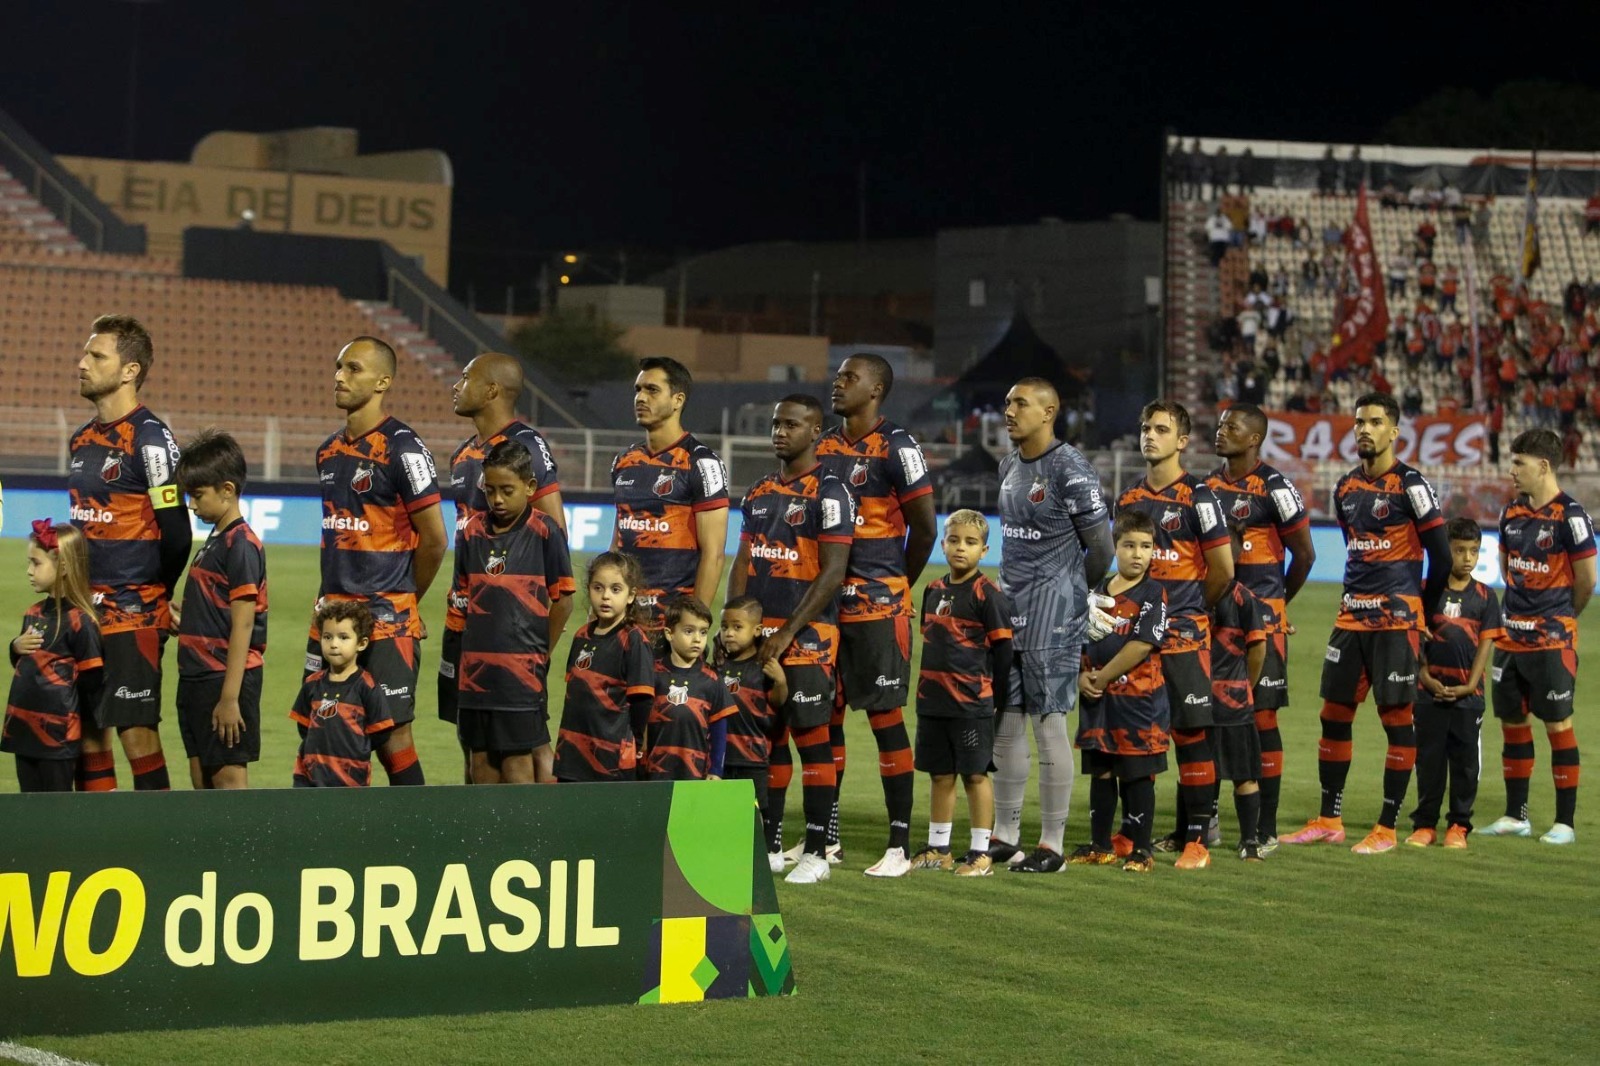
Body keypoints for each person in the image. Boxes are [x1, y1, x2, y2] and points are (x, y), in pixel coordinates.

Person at [1281, 391, 1451, 854]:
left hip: (1395, 620)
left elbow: (1442, 555)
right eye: (1359, 422)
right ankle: (1329, 818)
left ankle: (1387, 827)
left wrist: (1424, 612)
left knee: (1396, 719)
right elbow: (1354, 546)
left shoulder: (1411, 484)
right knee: (1332, 715)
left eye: (1375, 422)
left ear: (1394, 431)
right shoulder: (1345, 488)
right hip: (1350, 617)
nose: (1364, 430)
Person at [815, 353, 936, 877]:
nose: (838, 384)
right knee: (827, 716)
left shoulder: (898, 447)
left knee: (886, 720)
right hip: (826, 605)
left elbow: (925, 528)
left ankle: (898, 846)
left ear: (877, 390)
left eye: (849, 378)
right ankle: (830, 838)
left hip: (878, 605)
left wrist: (894, 587)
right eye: (838, 376)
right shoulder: (822, 446)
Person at [727, 395, 854, 885]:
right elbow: (744, 560)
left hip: (809, 638)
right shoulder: (758, 491)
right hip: (761, 635)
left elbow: (834, 573)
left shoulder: (832, 491)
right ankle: (773, 845)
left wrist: (787, 632)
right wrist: (735, 626)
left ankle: (818, 852)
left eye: (792, 424)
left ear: (817, 431)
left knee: (811, 740)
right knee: (767, 740)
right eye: (776, 423)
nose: (780, 431)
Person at [312, 336, 448, 786]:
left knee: (393, 736)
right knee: (323, 727)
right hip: (331, 616)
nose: (338, 376)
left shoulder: (403, 448)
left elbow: (434, 540)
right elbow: (333, 538)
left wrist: (407, 599)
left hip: (387, 621)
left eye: (352, 369)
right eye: (337, 366)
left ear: (383, 382)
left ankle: (412, 834)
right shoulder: (328, 452)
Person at [991, 377, 1114, 873]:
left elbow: (1101, 547)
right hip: (1009, 610)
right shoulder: (1008, 465)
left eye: (1019, 402)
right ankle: (1004, 835)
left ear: (1049, 412)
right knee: (1007, 721)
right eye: (1007, 401)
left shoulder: (1069, 467)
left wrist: (1071, 600)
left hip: (1053, 616)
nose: (1009, 410)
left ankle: (1053, 845)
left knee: (1048, 726)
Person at [70, 314, 190, 791]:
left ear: (129, 371)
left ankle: (155, 841)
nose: (82, 363)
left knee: (136, 732)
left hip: (132, 612)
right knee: (86, 730)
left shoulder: (151, 439)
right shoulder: (80, 440)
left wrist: (158, 594)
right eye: (85, 353)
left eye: (96, 356)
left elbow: (177, 532)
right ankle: (101, 842)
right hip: (82, 613)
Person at [1115, 400, 1234, 869]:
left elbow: (1223, 569)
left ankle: (1197, 839)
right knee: (1135, 736)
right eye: (1145, 427)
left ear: (1182, 441)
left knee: (1189, 736)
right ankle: (1131, 831)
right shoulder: (1128, 499)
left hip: (1183, 636)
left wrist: (1189, 609)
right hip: (1137, 637)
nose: (1150, 436)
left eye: (1161, 429)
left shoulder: (1199, 497)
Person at [442, 353, 565, 780]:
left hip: (516, 634)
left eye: (465, 378)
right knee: (472, 737)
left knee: (529, 742)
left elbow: (551, 533)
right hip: (470, 623)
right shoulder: (463, 455)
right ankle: (483, 832)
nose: (455, 386)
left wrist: (536, 644)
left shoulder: (527, 445)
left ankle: (543, 833)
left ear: (491, 389)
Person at [1208, 402, 1315, 847]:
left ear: (1254, 439)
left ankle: (1265, 826)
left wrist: (1274, 607)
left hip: (1262, 620)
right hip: (1215, 617)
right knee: (1208, 712)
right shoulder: (1208, 486)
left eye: (1231, 427)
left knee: (1262, 717)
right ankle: (1204, 823)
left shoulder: (1276, 488)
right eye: (1219, 425)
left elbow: (1305, 555)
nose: (1220, 431)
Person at [1479, 429, 1594, 844]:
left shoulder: (1572, 516)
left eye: (1519, 464)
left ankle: (1564, 823)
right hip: (1510, 639)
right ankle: (1516, 815)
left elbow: (1586, 580)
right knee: (1512, 723)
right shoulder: (1510, 513)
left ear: (1543, 466)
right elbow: (1508, 570)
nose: (1512, 471)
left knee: (1558, 724)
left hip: (1551, 641)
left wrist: (1560, 619)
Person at [453, 440, 575, 785]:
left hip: (520, 673)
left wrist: (541, 652)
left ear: (530, 487)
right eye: (490, 491)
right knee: (480, 760)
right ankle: (486, 836)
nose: (498, 500)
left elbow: (563, 600)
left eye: (507, 490)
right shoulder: (471, 531)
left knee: (518, 761)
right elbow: (461, 597)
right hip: (475, 673)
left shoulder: (545, 531)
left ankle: (526, 836)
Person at [907, 509, 1014, 878]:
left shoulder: (989, 595)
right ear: (943, 544)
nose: (960, 548)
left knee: (975, 775)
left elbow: (1004, 654)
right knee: (940, 774)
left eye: (970, 543)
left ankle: (981, 852)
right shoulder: (933, 591)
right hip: (933, 702)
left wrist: (994, 700)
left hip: (972, 703)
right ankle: (939, 847)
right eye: (954, 540)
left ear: (984, 550)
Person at [1073, 510, 1169, 873]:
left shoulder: (1153, 593)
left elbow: (1143, 644)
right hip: (1098, 701)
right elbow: (1077, 643)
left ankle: (1141, 850)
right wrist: (1081, 678)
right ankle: (1100, 845)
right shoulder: (1095, 592)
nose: (1137, 554)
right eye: (1129, 545)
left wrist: (1100, 677)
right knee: (1101, 770)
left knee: (1136, 773)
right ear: (1116, 546)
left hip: (1139, 701)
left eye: (1146, 547)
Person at [172, 430, 267, 790]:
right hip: (196, 677)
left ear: (227, 490)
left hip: (221, 681)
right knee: (202, 787)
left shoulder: (241, 544)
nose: (192, 506)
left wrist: (229, 699)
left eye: (197, 495)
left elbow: (243, 626)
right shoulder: (217, 539)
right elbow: (220, 612)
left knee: (227, 786)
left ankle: (244, 850)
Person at [611, 356, 729, 629]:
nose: (641, 398)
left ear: (678, 400)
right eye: (638, 390)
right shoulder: (624, 461)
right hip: (624, 619)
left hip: (671, 623)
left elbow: (714, 554)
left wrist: (692, 624)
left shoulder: (702, 463)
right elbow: (618, 541)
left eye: (652, 390)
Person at [1408, 518, 1503, 848]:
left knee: (1465, 764)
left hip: (1467, 698)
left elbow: (1485, 646)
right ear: (1446, 551)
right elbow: (1417, 640)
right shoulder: (1426, 591)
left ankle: (1459, 826)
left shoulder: (1486, 597)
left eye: (1473, 551)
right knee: (1428, 761)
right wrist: (1424, 676)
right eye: (1459, 550)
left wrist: (1470, 685)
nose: (1467, 558)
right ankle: (1425, 824)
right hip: (1428, 694)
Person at [2, 521, 102, 793]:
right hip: (22, 727)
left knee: (56, 810)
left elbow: (91, 680)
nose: (29, 571)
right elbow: (27, 666)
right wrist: (15, 646)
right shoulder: (33, 613)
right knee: (29, 807)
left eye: (36, 563)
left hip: (56, 734)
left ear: (64, 567)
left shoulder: (80, 621)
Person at [553, 552, 657, 783]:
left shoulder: (633, 640)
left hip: (610, 760)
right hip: (571, 753)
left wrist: (635, 743)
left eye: (615, 589)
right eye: (598, 588)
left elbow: (642, 702)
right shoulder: (582, 635)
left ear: (631, 596)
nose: (605, 597)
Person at [1209, 520, 1268, 861]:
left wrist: (1247, 685)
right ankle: (1198, 833)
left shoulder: (1244, 599)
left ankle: (1249, 840)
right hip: (1202, 699)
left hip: (1232, 702)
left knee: (1243, 773)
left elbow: (1258, 650)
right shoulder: (1200, 594)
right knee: (1200, 769)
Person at [291, 601, 393, 787]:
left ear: (361, 643)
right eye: (327, 637)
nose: (334, 644)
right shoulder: (312, 684)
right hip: (309, 774)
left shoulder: (366, 686)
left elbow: (380, 732)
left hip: (350, 777)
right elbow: (304, 727)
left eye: (343, 637)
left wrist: (357, 749)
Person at [717, 595, 788, 849]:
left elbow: (777, 703)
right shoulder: (717, 666)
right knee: (721, 812)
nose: (729, 634)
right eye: (725, 627)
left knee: (756, 812)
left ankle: (765, 852)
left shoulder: (763, 666)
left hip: (752, 757)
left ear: (757, 630)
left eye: (738, 627)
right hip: (720, 758)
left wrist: (781, 682)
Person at [643, 595, 737, 781]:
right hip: (654, 773)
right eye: (689, 631)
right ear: (670, 633)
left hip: (695, 774)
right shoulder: (653, 675)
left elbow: (719, 729)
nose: (697, 639)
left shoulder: (712, 680)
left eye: (703, 632)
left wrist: (716, 770)